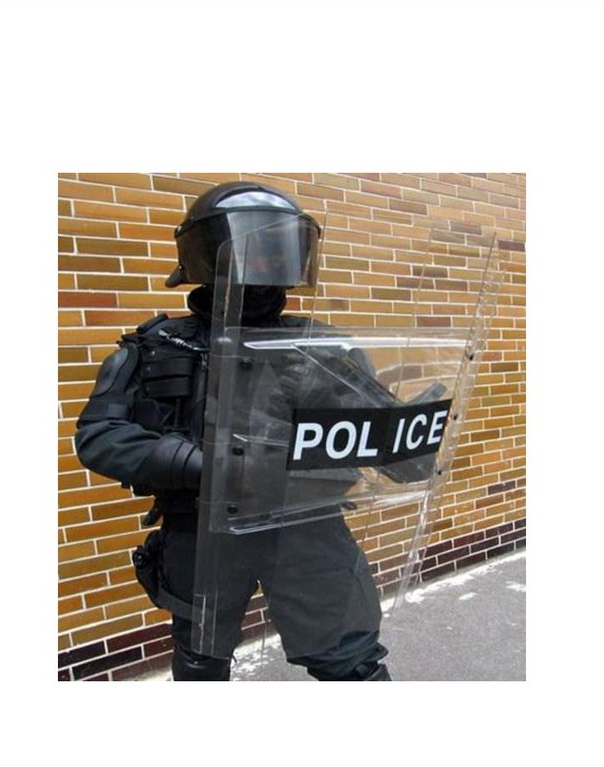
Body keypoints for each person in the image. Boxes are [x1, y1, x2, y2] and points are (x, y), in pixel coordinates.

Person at [75, 182, 391, 681]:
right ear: (206, 255)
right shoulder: (159, 346)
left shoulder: (325, 347)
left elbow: (374, 433)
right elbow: (99, 434)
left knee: (350, 662)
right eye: (254, 250)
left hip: (306, 528)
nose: (265, 265)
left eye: (277, 251)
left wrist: (407, 433)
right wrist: (202, 465)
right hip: (202, 530)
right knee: (201, 665)